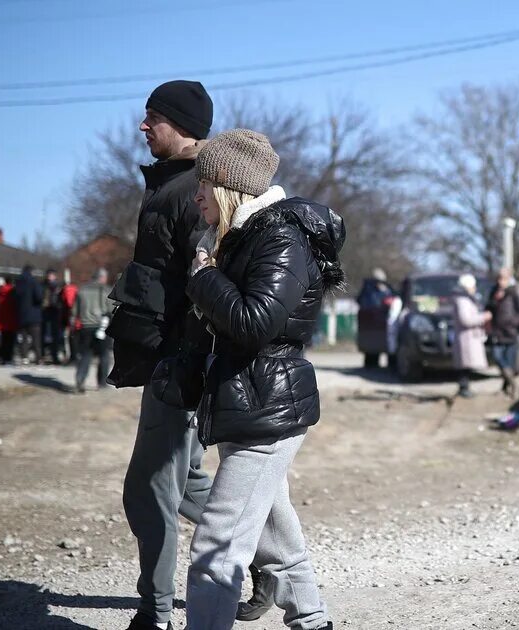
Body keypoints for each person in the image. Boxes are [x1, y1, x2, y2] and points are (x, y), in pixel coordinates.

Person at [176, 128, 342, 630]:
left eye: (203, 182)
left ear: (228, 185)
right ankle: (313, 621)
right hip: (245, 404)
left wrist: (203, 277)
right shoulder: (233, 241)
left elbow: (254, 322)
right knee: (275, 533)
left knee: (218, 543)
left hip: (269, 408)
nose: (197, 193)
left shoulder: (279, 238)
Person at [103, 80, 245, 630]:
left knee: (149, 484)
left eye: (153, 118)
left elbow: (202, 281)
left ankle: (155, 612)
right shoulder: (172, 184)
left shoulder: (193, 189)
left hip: (180, 360)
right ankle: (262, 561)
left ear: (181, 126)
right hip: (168, 356)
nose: (143, 127)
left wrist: (188, 363)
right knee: (186, 481)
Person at [486, 268, 519, 397]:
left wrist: (512, 323)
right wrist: (495, 301)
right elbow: (488, 308)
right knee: (498, 358)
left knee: (509, 362)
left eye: (503, 278)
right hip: (496, 332)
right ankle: (513, 384)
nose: (500, 281)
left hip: (510, 333)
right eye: (499, 278)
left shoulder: (513, 292)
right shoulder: (494, 292)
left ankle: (507, 388)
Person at [73, 268, 113, 393]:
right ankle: (102, 383)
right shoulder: (106, 290)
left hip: (86, 326)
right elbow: (111, 309)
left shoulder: (82, 290)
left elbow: (75, 311)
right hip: (102, 326)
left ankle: (80, 379)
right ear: (102, 278)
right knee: (104, 355)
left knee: (86, 354)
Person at [451, 273, 490, 398]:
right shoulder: (463, 300)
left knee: (465, 365)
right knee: (464, 365)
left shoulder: (465, 299)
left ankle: (465, 387)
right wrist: (483, 317)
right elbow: (466, 319)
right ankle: (464, 388)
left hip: (468, 337)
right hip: (466, 337)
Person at [13, 265, 44, 365]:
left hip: (21, 314)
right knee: (36, 338)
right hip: (33, 314)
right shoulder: (34, 282)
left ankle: (24, 357)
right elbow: (39, 297)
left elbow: (15, 299)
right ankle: (38, 358)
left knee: (24, 338)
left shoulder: (18, 283)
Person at [41, 268, 64, 364]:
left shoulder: (58, 287)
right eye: (48, 275)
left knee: (55, 336)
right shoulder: (43, 286)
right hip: (45, 312)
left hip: (55, 312)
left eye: (51, 275)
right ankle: (44, 355)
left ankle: (54, 356)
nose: (49, 277)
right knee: (44, 335)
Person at [0, 275, 18, 365]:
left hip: (1, 319)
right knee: (10, 341)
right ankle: (8, 358)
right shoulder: (13, 291)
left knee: (4, 340)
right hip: (11, 319)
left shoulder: (0, 291)